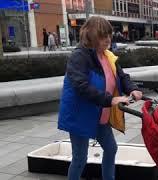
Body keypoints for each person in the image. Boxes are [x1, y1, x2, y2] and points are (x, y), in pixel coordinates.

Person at [58, 16, 143, 180]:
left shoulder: (108, 56)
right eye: (103, 36)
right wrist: (111, 100)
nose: (108, 39)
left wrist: (133, 89)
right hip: (80, 115)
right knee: (80, 158)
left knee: (111, 148)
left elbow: (122, 76)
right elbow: (81, 86)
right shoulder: (79, 57)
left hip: (100, 114)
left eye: (109, 35)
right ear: (91, 36)